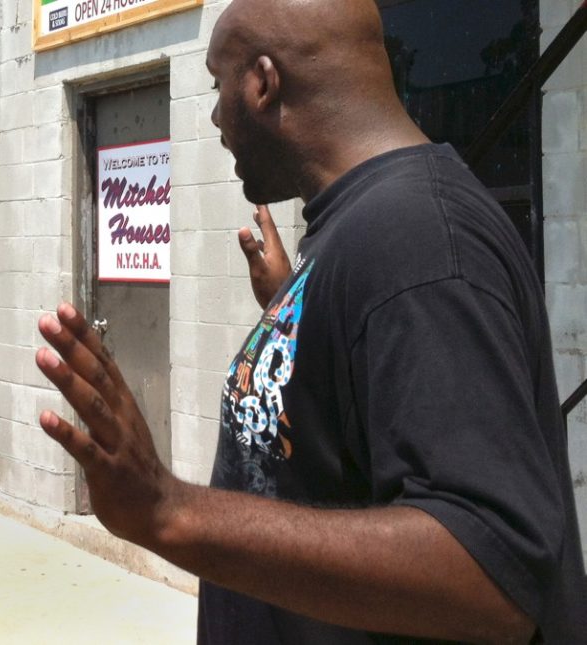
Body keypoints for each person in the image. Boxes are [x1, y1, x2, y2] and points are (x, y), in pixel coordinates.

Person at [34, 0, 587, 642]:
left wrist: (169, 510)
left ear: (263, 83)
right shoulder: (362, 231)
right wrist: (296, 308)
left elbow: (491, 572)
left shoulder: (417, 240)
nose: (214, 117)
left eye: (218, 86)